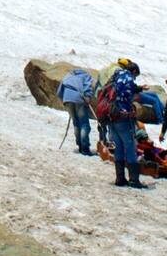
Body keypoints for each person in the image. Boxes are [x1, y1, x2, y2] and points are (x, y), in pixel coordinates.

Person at [105, 59, 146, 189]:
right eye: (136, 75)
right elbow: (126, 96)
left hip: (111, 115)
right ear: (133, 71)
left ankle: (120, 178)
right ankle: (134, 180)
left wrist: (138, 88)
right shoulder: (128, 79)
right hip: (123, 116)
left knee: (118, 147)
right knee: (129, 147)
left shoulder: (115, 76)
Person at [58, 68, 97, 157]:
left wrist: (65, 99)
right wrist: (88, 97)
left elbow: (59, 91)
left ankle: (79, 145)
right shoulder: (85, 76)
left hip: (67, 99)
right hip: (79, 99)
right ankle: (85, 148)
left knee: (76, 123)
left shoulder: (68, 76)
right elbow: (87, 87)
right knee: (84, 124)